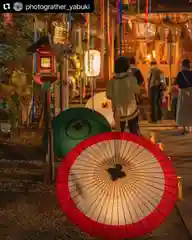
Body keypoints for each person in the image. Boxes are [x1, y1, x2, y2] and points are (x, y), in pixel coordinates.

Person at [106, 56, 140, 134]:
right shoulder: (131, 79)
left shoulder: (111, 81)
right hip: (131, 109)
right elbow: (137, 91)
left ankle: (120, 145)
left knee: (119, 133)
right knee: (134, 131)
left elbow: (108, 95)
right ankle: (134, 144)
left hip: (118, 111)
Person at [174, 59, 192, 134]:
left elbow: (175, 84)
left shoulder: (180, 73)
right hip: (191, 93)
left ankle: (182, 127)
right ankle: (190, 126)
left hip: (183, 93)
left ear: (182, 65)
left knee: (181, 110)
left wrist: (179, 89)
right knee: (189, 110)